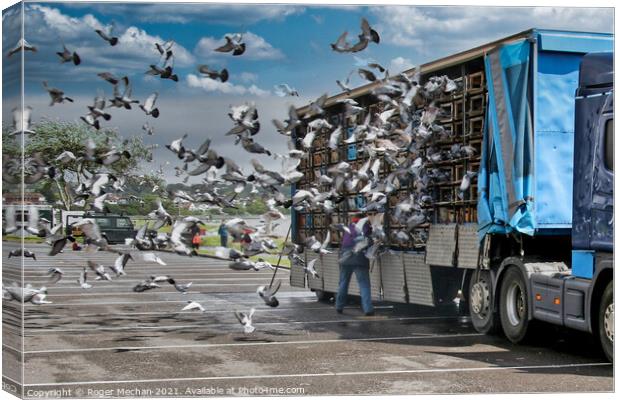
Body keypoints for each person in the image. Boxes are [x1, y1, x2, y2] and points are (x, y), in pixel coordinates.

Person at [336, 214, 375, 316]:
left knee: (343, 283)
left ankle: (339, 306)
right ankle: (368, 309)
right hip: (359, 257)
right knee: (364, 284)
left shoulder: (348, 227)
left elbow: (344, 242)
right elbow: (369, 241)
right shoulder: (365, 227)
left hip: (345, 257)